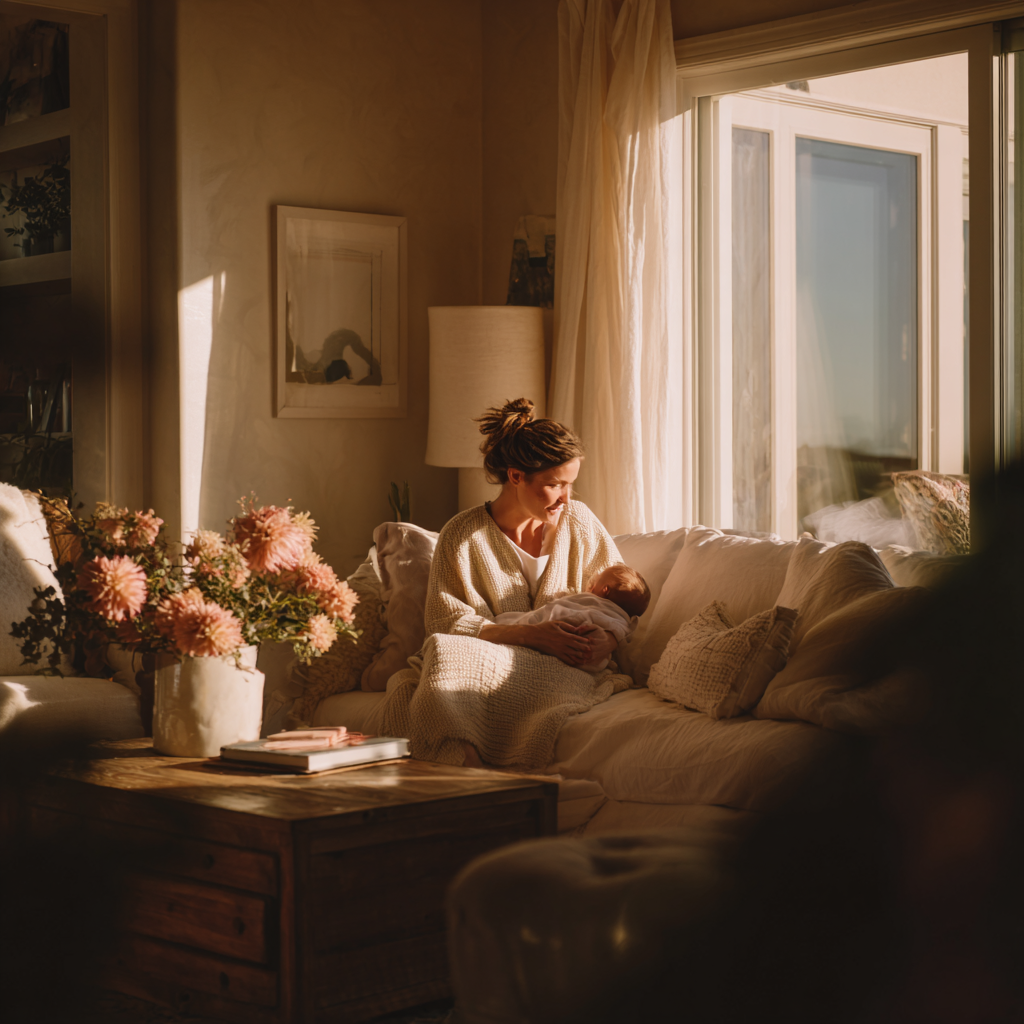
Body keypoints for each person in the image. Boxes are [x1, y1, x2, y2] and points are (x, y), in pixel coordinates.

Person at [423, 397, 623, 670]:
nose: (566, 498)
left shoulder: (580, 521)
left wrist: (608, 640)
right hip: (490, 663)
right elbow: (444, 622)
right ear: (516, 476)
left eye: (570, 485)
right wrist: (532, 636)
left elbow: (621, 601)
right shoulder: (461, 535)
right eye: (555, 485)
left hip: (571, 668)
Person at [494, 564, 650, 671]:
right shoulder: (623, 621)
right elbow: (620, 629)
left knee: (522, 619)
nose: (592, 580)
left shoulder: (590, 602)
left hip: (562, 627)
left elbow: (560, 608)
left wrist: (608, 641)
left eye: (599, 577)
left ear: (605, 590)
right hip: (590, 653)